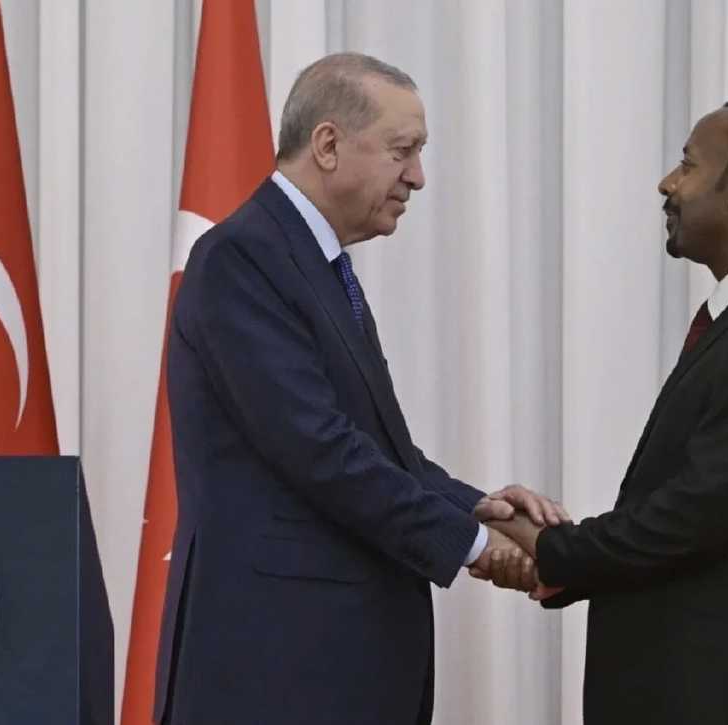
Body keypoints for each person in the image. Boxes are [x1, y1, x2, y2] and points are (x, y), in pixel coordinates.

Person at [154, 52, 560, 725]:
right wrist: (478, 547)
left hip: (323, 670)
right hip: (272, 674)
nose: (418, 176)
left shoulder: (314, 263)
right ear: (328, 144)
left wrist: (483, 507)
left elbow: (378, 449)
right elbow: (320, 450)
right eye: (403, 150)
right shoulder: (242, 257)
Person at [476, 98, 728, 725]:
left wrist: (551, 549)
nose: (667, 183)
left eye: (687, 165)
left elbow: (693, 515)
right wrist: (560, 556)